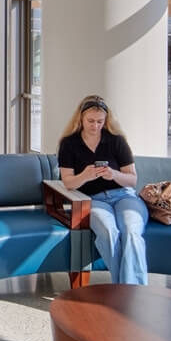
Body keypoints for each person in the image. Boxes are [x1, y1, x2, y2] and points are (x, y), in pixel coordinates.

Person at [57, 95, 148, 285]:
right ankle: (125, 288)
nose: (95, 126)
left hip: (124, 196)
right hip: (93, 199)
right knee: (108, 231)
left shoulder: (116, 141)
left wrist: (114, 175)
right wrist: (85, 176)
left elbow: (132, 180)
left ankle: (131, 291)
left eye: (100, 121)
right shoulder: (69, 144)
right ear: (80, 119)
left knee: (131, 232)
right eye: (91, 121)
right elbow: (68, 183)